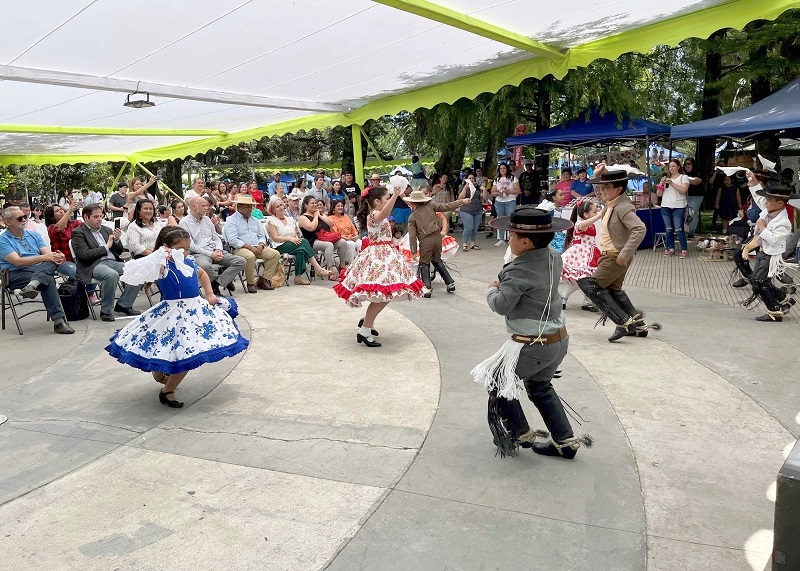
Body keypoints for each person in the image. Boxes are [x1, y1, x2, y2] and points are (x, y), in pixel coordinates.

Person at [471, 206, 591, 459]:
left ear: (525, 241)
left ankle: (519, 432)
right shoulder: (554, 256)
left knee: (497, 380)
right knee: (539, 387)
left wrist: (492, 289)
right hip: (558, 340)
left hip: (533, 345)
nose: (508, 239)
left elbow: (502, 305)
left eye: (511, 235)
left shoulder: (518, 270)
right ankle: (566, 442)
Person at [106, 227, 248, 408]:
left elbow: (202, 273)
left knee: (188, 352)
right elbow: (137, 267)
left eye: (188, 248)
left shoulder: (188, 261)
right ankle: (163, 381)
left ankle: (167, 388)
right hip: (172, 314)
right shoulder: (161, 264)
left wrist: (210, 294)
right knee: (168, 348)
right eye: (182, 249)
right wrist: (159, 254)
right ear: (167, 247)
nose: (186, 252)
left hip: (195, 313)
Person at [334, 185, 425, 347]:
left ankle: (367, 322)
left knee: (385, 294)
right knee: (383, 294)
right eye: (386, 198)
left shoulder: (377, 215)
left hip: (385, 256)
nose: (388, 200)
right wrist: (396, 195)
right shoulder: (374, 215)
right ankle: (365, 329)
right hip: (379, 258)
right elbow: (385, 213)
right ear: (377, 201)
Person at [577, 166, 653, 342]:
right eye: (602, 187)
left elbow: (640, 229)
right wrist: (597, 177)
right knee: (613, 291)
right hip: (611, 255)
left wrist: (625, 253)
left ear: (618, 189)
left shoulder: (623, 207)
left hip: (614, 256)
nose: (602, 190)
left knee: (591, 287)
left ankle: (624, 322)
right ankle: (639, 325)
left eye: (606, 187)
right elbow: (600, 194)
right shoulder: (612, 202)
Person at [733, 171, 799, 322]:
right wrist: (754, 182)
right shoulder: (768, 209)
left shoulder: (784, 222)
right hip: (763, 251)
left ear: (780, 203)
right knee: (760, 280)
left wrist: (762, 228)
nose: (766, 202)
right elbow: (758, 198)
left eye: (769, 200)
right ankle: (783, 299)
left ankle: (775, 311)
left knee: (759, 281)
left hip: (772, 255)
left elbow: (775, 240)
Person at [0, 206, 75, 334]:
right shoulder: (3, 240)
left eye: (25, 216)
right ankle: (59, 322)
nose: (24, 219)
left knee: (51, 263)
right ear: (7, 222)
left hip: (38, 270)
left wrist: (57, 256)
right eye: (19, 218)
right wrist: (46, 257)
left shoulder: (33, 235)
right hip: (15, 274)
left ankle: (33, 285)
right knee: (48, 279)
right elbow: (17, 262)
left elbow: (47, 255)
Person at [71, 204, 142, 322]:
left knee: (138, 270)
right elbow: (84, 255)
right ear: (86, 217)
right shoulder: (78, 233)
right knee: (111, 275)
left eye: (101, 216)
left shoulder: (106, 229)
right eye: (96, 217)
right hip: (93, 265)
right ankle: (106, 311)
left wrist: (117, 240)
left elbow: (118, 251)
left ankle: (124, 304)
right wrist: (106, 246)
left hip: (112, 261)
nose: (100, 219)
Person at [404, 189, 469, 297]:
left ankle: (427, 288)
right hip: (437, 237)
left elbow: (412, 236)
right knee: (437, 260)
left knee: (424, 263)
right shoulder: (431, 205)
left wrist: (414, 251)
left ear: (412, 203)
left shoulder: (412, 217)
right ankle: (450, 283)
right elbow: (447, 206)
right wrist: (461, 201)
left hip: (425, 240)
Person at [180, 196, 245, 296]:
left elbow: (216, 237)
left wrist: (218, 249)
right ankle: (219, 283)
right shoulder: (184, 222)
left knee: (241, 261)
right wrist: (211, 254)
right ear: (194, 207)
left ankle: (217, 283)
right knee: (204, 266)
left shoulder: (207, 219)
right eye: (203, 206)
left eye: (207, 205)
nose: (207, 208)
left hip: (215, 250)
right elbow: (191, 246)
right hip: (199, 253)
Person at [265, 195, 331, 285]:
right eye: (277, 206)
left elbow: (295, 234)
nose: (281, 207)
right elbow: (275, 238)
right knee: (303, 242)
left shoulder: (289, 220)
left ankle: (298, 277)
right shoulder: (271, 220)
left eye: (281, 205)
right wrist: (290, 239)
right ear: (273, 210)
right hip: (279, 245)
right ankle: (318, 268)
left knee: (301, 249)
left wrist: (295, 238)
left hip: (292, 244)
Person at [222, 194, 279, 293]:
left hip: (256, 246)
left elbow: (261, 235)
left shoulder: (255, 220)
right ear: (239, 207)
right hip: (239, 248)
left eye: (251, 206)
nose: (250, 209)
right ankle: (250, 283)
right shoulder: (231, 220)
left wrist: (261, 244)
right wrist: (250, 247)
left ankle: (264, 279)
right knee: (250, 256)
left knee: (275, 254)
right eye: (247, 206)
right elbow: (233, 241)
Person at [559, 199, 603, 310]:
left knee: (583, 279)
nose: (596, 213)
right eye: (594, 211)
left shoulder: (588, 222)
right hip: (581, 254)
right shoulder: (580, 223)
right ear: (586, 214)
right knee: (584, 278)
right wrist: (600, 215)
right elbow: (585, 224)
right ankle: (584, 300)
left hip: (589, 252)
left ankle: (565, 297)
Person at [298, 196, 351, 280]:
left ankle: (342, 267)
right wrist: (315, 216)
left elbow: (331, 224)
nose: (315, 205)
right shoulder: (302, 217)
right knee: (329, 245)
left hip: (326, 237)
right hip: (312, 241)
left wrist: (320, 215)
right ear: (305, 205)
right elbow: (312, 227)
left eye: (315, 203)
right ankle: (331, 272)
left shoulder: (320, 214)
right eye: (312, 203)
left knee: (342, 242)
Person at [657, 158, 690, 258]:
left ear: (678, 167)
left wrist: (672, 183)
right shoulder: (665, 178)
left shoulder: (683, 177)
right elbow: (659, 194)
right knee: (668, 229)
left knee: (679, 229)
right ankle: (670, 248)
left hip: (678, 206)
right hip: (665, 206)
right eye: (670, 166)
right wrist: (661, 184)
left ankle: (684, 249)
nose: (671, 168)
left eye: (673, 166)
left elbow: (683, 190)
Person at [45, 202, 82, 273]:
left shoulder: (74, 223)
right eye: (57, 211)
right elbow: (58, 228)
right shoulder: (51, 228)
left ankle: (79, 284)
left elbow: (87, 226)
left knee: (92, 271)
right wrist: (69, 211)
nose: (61, 211)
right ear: (52, 217)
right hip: (63, 261)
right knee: (77, 272)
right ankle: (75, 283)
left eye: (61, 209)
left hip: (79, 259)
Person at [490, 163, 520, 246]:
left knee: (510, 220)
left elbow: (518, 190)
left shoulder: (513, 179)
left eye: (504, 168)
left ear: (507, 169)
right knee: (500, 219)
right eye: (500, 168)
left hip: (510, 201)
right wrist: (498, 193)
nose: (502, 170)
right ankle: (501, 239)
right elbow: (492, 192)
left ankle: (511, 238)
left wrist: (509, 191)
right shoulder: (497, 180)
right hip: (499, 201)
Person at [458, 175, 488, 251]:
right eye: (470, 178)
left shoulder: (477, 187)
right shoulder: (462, 187)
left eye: (472, 178)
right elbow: (460, 198)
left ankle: (472, 243)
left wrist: (484, 190)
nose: (471, 179)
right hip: (466, 210)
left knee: (475, 228)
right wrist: (465, 189)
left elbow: (484, 198)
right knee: (468, 227)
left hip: (477, 210)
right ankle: (464, 244)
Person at [683, 158, 704, 238]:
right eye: (685, 164)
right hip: (685, 196)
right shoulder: (683, 173)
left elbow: (696, 181)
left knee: (691, 212)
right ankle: (686, 231)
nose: (686, 166)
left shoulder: (698, 172)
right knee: (686, 213)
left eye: (689, 164)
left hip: (696, 195)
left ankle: (691, 231)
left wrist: (683, 178)